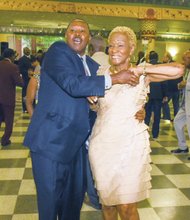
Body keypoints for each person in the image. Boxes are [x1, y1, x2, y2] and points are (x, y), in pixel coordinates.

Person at [23, 19, 140, 220]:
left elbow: (104, 103)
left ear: (89, 37)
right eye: (72, 30)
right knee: (49, 206)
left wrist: (136, 111)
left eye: (82, 31)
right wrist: (114, 78)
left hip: (78, 148)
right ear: (66, 34)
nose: (77, 34)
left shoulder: (94, 66)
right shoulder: (58, 52)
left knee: (72, 206)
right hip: (50, 144)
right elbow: (72, 84)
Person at [88, 26, 184, 220]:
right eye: (111, 45)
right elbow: (98, 107)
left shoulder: (142, 74)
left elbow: (179, 69)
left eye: (120, 45)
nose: (114, 50)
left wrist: (141, 68)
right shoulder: (101, 73)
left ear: (131, 49)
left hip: (130, 145)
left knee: (126, 206)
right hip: (102, 145)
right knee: (107, 205)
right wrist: (92, 102)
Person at [0, 48, 24, 146]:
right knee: (9, 121)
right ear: (10, 56)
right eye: (14, 56)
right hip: (8, 98)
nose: (15, 57)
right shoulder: (13, 67)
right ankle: (5, 140)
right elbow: (20, 83)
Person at [144, 51, 168, 140]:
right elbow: (164, 81)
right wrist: (165, 94)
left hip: (148, 94)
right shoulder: (160, 67)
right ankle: (155, 134)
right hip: (158, 94)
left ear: (149, 58)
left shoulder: (146, 67)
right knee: (157, 115)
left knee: (147, 114)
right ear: (157, 58)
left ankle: (145, 133)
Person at [171, 50, 190, 155]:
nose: (183, 61)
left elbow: (186, 84)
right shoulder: (187, 70)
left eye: (185, 59)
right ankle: (183, 147)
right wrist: (181, 85)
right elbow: (183, 85)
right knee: (177, 122)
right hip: (185, 103)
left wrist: (185, 84)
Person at [162, 51, 182, 121]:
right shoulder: (176, 64)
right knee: (176, 104)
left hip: (171, 87)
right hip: (176, 87)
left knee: (165, 102)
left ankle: (167, 117)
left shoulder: (170, 64)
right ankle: (175, 118)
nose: (163, 58)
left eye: (164, 57)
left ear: (167, 57)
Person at [18, 47, 32, 113]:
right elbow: (20, 70)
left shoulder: (32, 58)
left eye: (28, 50)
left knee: (31, 93)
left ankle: (31, 106)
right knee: (24, 94)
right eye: (26, 50)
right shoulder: (21, 59)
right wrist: (27, 72)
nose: (27, 51)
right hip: (25, 79)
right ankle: (25, 108)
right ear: (24, 51)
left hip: (32, 79)